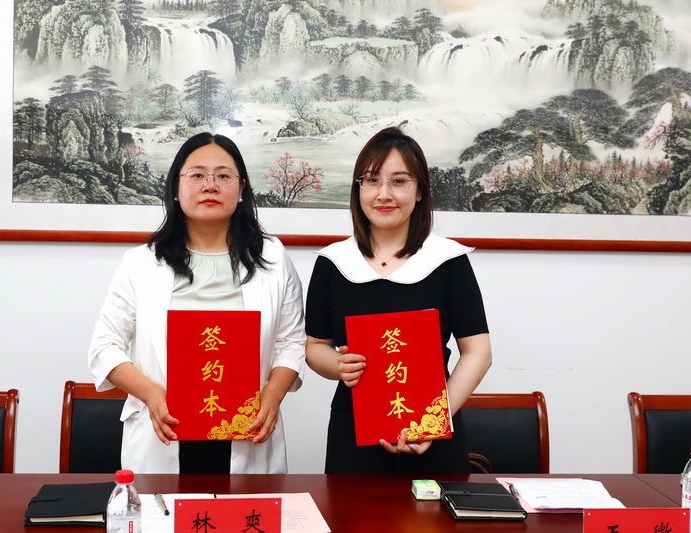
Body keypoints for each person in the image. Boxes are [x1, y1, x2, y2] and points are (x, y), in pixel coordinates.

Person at [88, 132, 306, 474]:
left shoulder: (273, 257)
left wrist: (273, 395)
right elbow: (104, 347)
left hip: (246, 433)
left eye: (223, 175)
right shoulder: (140, 262)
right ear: (176, 188)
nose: (210, 185)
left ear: (242, 189)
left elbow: (291, 342)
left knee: (246, 509)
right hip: (165, 433)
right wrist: (151, 394)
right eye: (197, 175)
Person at [305, 126, 492, 474]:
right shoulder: (333, 262)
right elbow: (316, 346)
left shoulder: (448, 260)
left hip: (434, 435)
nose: (384, 194)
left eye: (400, 181)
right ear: (358, 188)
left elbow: (478, 352)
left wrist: (434, 420)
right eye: (372, 180)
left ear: (420, 191)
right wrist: (337, 366)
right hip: (353, 435)